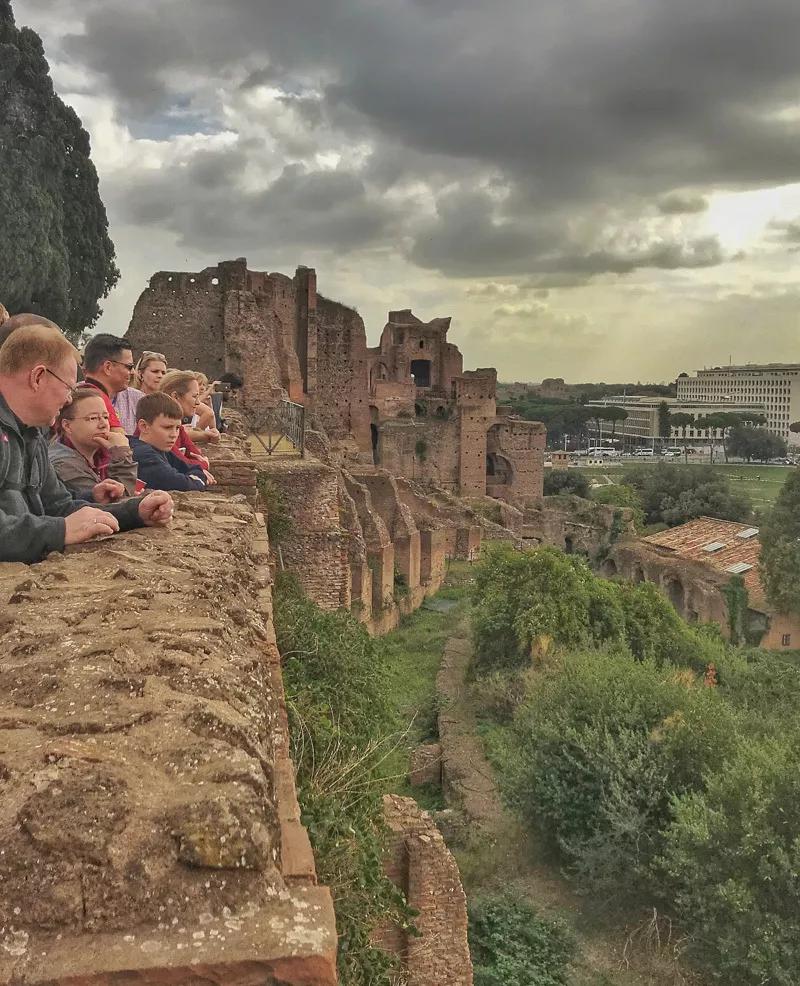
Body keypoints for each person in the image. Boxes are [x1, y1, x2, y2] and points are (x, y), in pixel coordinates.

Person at [0, 324, 174, 564]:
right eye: (69, 387)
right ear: (38, 377)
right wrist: (59, 531)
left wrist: (134, 512)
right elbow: (61, 522)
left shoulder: (32, 434)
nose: (69, 399)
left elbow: (59, 506)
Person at [49, 387, 139, 496]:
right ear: (67, 426)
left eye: (105, 417)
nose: (103, 424)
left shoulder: (103, 454)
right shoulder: (63, 464)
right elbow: (110, 501)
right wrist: (122, 454)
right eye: (93, 418)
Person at [130, 393, 209, 492]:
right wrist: (196, 480)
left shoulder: (161, 449)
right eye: (167, 427)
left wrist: (195, 476)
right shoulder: (143, 454)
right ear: (144, 426)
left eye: (177, 428)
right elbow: (180, 484)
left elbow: (195, 469)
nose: (174, 434)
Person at [158, 370, 216, 483]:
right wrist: (203, 464)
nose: (198, 402)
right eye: (194, 396)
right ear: (175, 396)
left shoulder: (178, 427)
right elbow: (183, 463)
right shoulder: (160, 426)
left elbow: (194, 454)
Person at [81, 334, 136, 444]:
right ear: (108, 367)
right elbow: (122, 442)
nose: (133, 372)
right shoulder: (96, 398)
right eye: (129, 367)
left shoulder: (83, 392)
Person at [184, 372, 220, 444]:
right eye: (199, 384)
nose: (202, 387)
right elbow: (208, 413)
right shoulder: (192, 400)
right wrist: (209, 390)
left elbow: (211, 418)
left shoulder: (206, 399)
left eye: (204, 385)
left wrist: (209, 404)